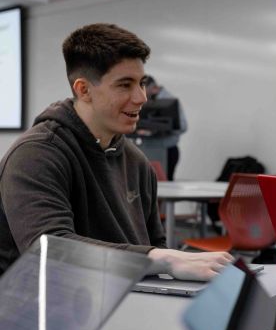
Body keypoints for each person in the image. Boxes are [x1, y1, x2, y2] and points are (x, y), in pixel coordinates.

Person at [0, 23, 232, 280]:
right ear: (83, 89)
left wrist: (166, 262)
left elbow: (153, 245)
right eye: (125, 85)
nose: (142, 97)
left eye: (141, 83)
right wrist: (164, 259)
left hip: (124, 300)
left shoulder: (137, 162)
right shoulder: (35, 155)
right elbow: (49, 251)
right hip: (40, 311)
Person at [138, 75, 187, 180]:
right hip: (147, 149)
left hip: (166, 151)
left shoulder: (170, 101)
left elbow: (183, 126)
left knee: (166, 188)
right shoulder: (145, 101)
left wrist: (161, 127)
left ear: (154, 88)